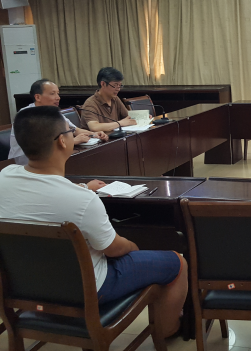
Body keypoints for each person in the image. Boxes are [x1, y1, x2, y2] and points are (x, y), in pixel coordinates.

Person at [0, 106, 188, 337]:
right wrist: (135, 248)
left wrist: (82, 187)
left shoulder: (4, 178)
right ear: (62, 141)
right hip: (86, 289)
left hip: (24, 285)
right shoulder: (82, 201)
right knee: (177, 263)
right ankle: (168, 331)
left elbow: (39, 196)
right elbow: (114, 249)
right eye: (70, 131)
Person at [8, 79, 109, 176]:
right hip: (24, 166)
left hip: (47, 164)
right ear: (38, 97)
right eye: (52, 94)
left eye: (58, 93)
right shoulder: (26, 116)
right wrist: (73, 141)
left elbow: (75, 130)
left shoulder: (54, 112)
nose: (58, 97)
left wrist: (94, 134)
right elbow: (41, 147)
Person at [80, 67, 137, 132]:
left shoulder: (115, 99)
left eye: (120, 85)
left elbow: (127, 117)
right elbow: (94, 127)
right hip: (98, 138)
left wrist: (141, 118)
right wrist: (120, 123)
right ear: (103, 84)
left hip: (115, 136)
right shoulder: (90, 103)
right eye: (115, 85)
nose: (118, 89)